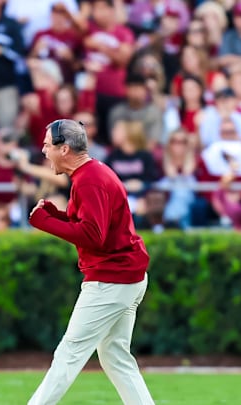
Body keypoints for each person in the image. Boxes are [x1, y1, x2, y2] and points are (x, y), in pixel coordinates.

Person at [26, 119, 154, 405]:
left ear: (65, 149)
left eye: (48, 145)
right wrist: (55, 216)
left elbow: (93, 235)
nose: (44, 151)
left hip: (111, 280)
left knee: (69, 353)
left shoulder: (89, 180)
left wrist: (45, 222)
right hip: (124, 277)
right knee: (115, 356)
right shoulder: (92, 174)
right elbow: (94, 228)